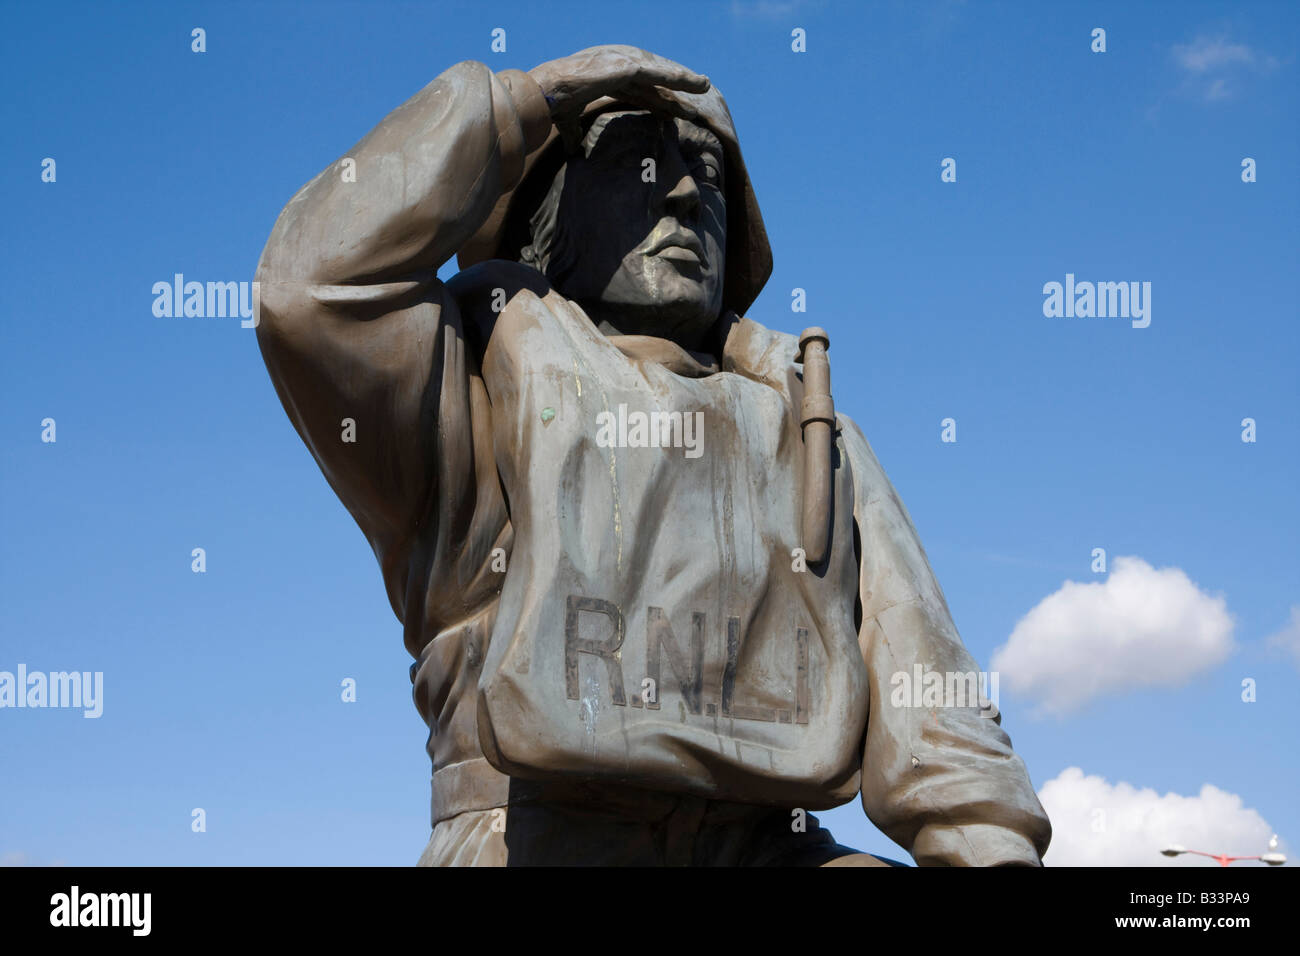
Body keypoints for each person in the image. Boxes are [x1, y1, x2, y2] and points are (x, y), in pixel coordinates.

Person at [254, 45, 1052, 866]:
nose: (681, 194)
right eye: (635, 162)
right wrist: (518, 105)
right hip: (531, 835)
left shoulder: (813, 432)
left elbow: (939, 722)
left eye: (706, 174)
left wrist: (991, 848)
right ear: (542, 222)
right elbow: (308, 289)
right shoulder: (463, 390)